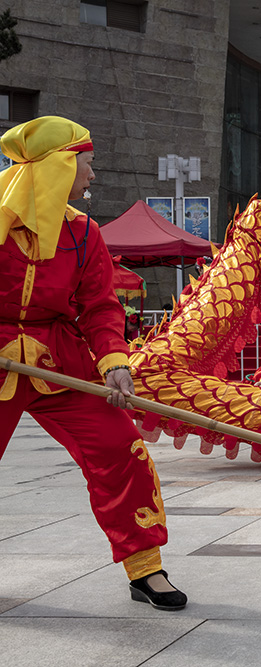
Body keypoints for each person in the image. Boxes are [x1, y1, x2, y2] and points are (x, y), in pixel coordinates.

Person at [0, 116, 186, 610]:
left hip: (59, 363)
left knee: (122, 446)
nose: (93, 175)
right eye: (88, 163)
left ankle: (145, 569)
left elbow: (100, 305)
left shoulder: (83, 233)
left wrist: (113, 362)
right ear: (61, 165)